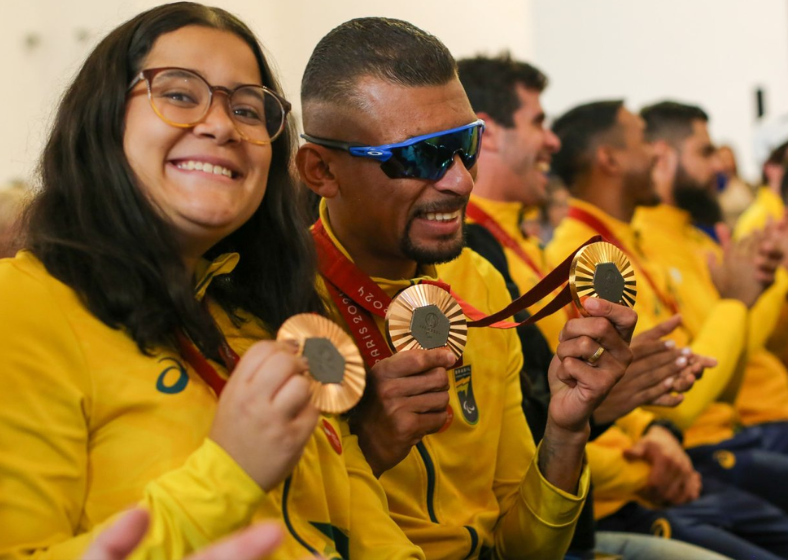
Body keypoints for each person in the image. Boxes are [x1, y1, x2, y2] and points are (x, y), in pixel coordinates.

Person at [0, 4, 422, 559]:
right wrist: (230, 471)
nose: (222, 125)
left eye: (248, 109)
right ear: (103, 119)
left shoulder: (267, 310)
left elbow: (363, 526)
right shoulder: (23, 305)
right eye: (178, 94)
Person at [298, 17, 636, 560]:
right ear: (321, 170)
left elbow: (521, 548)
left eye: (465, 144)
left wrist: (567, 430)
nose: (460, 180)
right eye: (418, 154)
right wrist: (368, 451)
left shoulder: (476, 275)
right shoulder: (277, 303)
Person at [455, 53, 719, 560]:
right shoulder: (488, 253)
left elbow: (570, 397)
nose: (552, 141)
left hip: (585, 505)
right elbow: (549, 414)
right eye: (538, 123)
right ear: (487, 134)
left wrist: (652, 430)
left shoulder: (513, 251)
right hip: (604, 498)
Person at [546, 99, 788, 559]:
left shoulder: (639, 243)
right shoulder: (587, 256)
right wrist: (738, 301)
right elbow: (679, 398)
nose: (656, 157)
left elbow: (719, 382)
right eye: (644, 143)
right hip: (675, 462)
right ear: (610, 159)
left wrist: (753, 291)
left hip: (704, 442)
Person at [637, 100, 788, 512]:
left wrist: (759, 288)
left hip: (746, 424)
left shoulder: (699, 242)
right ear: (664, 156)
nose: (719, 166)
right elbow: (691, 390)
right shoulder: (642, 246)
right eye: (705, 152)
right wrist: (751, 294)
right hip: (717, 440)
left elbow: (737, 360)